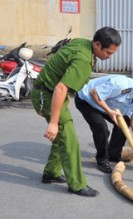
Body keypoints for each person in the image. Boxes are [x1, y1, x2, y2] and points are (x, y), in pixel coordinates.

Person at [31, 27, 121, 197]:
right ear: (97, 44)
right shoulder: (83, 59)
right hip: (48, 95)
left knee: (62, 137)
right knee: (70, 141)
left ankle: (51, 173)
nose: (110, 56)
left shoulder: (83, 43)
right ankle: (77, 184)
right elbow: (61, 87)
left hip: (51, 93)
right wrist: (53, 122)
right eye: (108, 52)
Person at [75, 75, 133, 173]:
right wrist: (108, 111)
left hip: (107, 105)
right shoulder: (120, 85)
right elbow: (93, 92)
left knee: (125, 123)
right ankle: (102, 160)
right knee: (101, 128)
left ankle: (113, 155)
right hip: (88, 101)